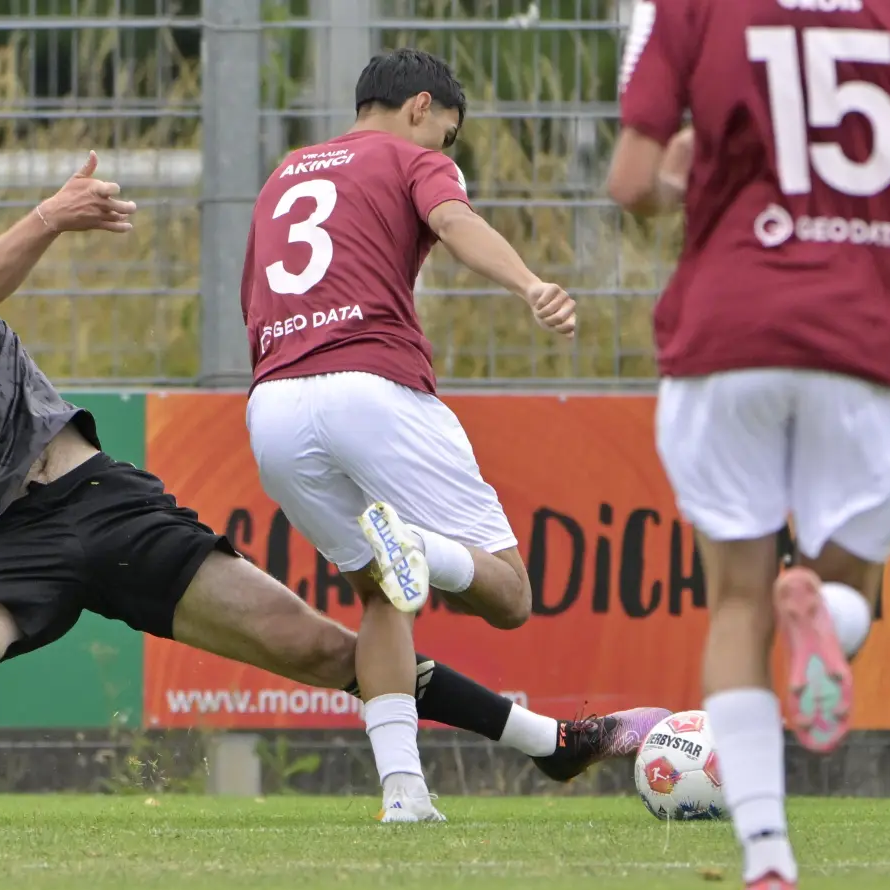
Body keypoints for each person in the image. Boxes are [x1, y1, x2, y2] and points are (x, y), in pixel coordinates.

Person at [0, 126, 665, 830]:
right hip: (0, 548)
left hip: (107, 504)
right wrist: (42, 217)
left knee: (329, 651)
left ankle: (549, 744)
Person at [240, 47, 664, 823]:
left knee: (380, 596)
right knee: (506, 592)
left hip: (272, 407)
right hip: (370, 386)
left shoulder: (284, 175)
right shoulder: (409, 157)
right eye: (449, 133)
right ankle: (419, 544)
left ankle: (403, 794)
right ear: (420, 107)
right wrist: (530, 284)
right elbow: (455, 222)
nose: (445, 149)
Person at [609, 1, 890, 890]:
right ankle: (824, 621)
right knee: (854, 595)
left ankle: (767, 861)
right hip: (866, 334)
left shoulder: (696, 7)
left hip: (727, 332)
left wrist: (684, 184)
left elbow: (631, 181)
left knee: (737, 603)